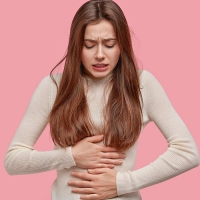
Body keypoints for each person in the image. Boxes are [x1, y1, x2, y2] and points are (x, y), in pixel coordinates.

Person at [4, 0, 200, 199]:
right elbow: (13, 161)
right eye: (89, 45)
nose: (99, 55)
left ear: (121, 45)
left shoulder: (142, 84)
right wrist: (70, 156)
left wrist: (122, 183)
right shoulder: (53, 87)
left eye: (109, 44)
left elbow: (187, 153)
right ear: (76, 47)